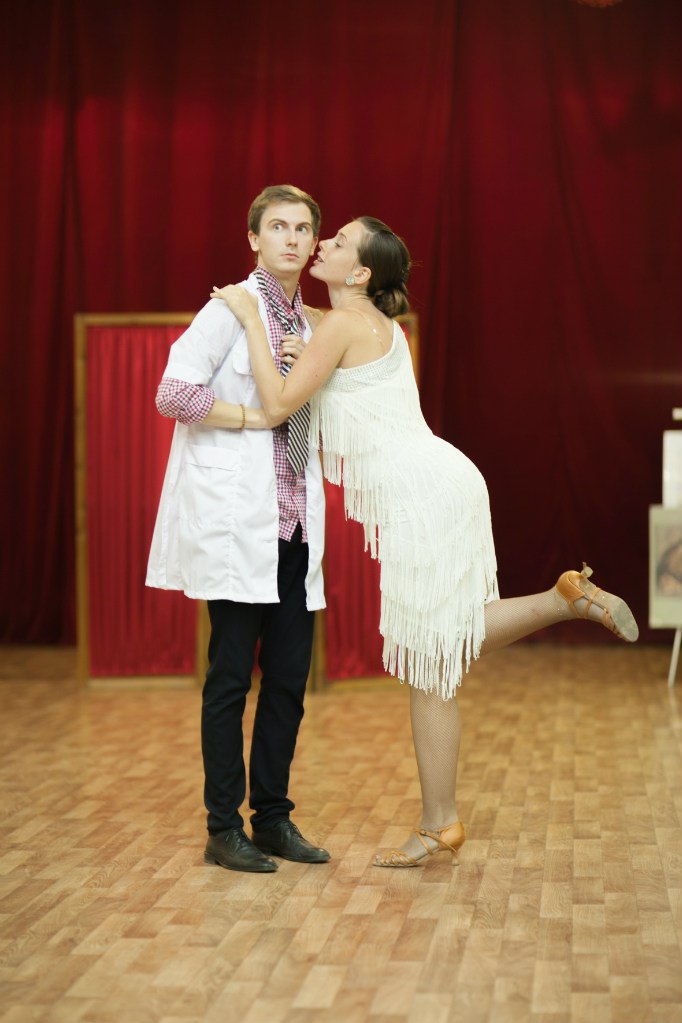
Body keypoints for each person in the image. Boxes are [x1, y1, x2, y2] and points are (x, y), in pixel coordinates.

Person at [211, 215, 639, 868]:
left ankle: (560, 607)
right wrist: (305, 341)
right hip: (447, 480)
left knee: (433, 655)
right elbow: (329, 376)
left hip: (422, 496)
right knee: (440, 653)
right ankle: (443, 816)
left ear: (360, 272)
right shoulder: (377, 326)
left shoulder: (342, 324)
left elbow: (276, 406)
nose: (321, 244)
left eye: (337, 242)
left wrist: (248, 318)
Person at [147, 185, 331, 873]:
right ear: (254, 238)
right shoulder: (228, 310)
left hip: (293, 526)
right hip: (238, 523)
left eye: (303, 228)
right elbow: (172, 393)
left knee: (287, 681)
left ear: (314, 244)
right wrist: (255, 418)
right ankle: (223, 827)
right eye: (278, 226)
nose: (291, 238)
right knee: (230, 678)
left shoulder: (313, 324)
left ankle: (273, 818)